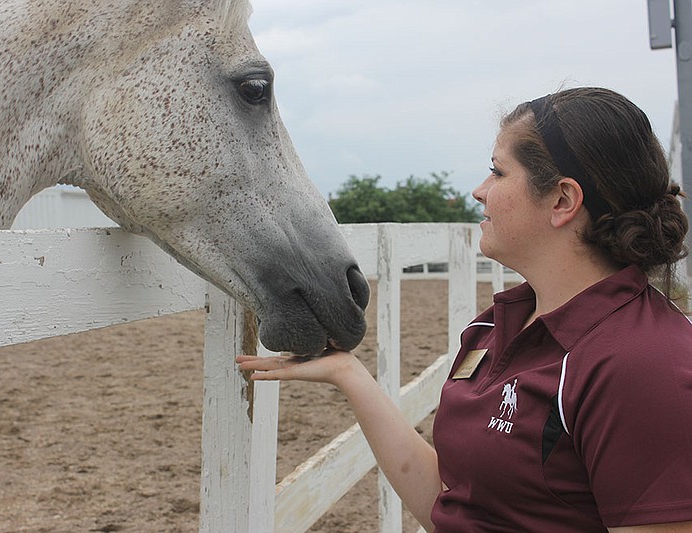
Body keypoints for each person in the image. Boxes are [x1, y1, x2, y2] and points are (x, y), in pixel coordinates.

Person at [237, 87, 692, 532]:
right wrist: (349, 375)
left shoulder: (644, 365)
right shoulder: (494, 327)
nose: (479, 191)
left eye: (497, 172)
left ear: (562, 201)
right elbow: (452, 504)